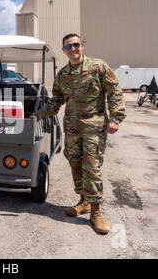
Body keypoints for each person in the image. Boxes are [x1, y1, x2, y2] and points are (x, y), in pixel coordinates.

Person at [38, 34, 126, 235]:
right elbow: (56, 101)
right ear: (64, 51)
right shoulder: (62, 75)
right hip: (72, 127)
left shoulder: (98, 66)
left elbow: (114, 92)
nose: (73, 49)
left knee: (91, 166)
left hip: (94, 126)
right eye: (68, 46)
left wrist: (116, 118)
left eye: (76, 44)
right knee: (75, 163)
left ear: (82, 46)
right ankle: (84, 201)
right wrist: (36, 113)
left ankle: (96, 212)